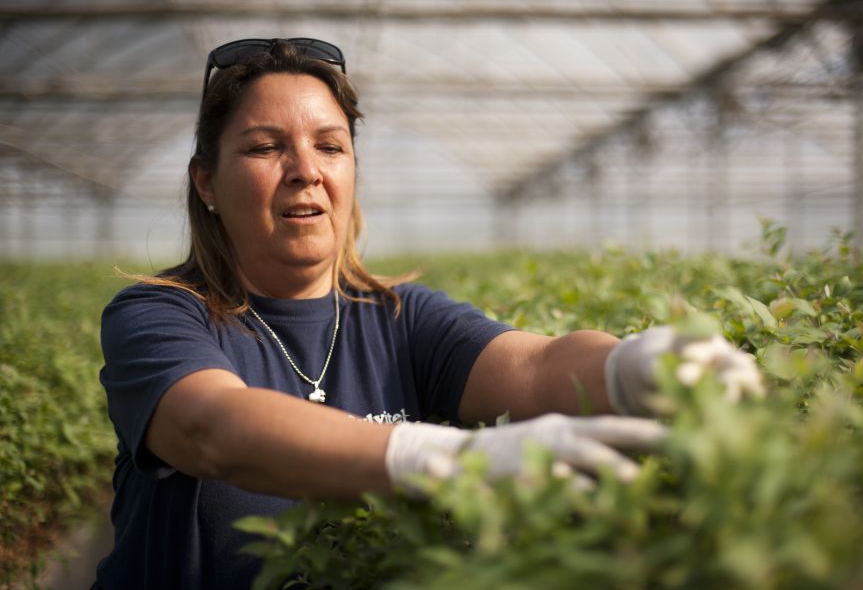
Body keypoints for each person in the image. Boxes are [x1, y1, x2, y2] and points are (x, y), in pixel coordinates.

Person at [93, 38, 763, 589]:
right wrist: (442, 456)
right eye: (266, 147)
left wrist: (630, 366)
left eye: (330, 145)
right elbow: (215, 427)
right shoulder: (159, 316)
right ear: (205, 181)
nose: (306, 170)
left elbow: (535, 365)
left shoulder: (398, 317)